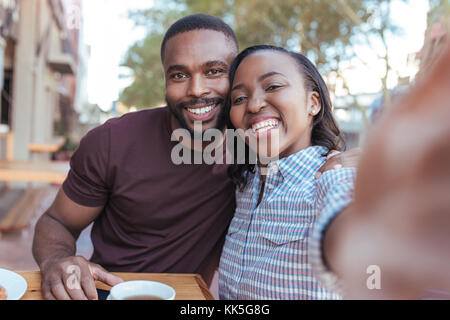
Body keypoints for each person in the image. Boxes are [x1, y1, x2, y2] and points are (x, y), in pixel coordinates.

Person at [32, 14, 357, 300]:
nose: (196, 89)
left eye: (215, 71)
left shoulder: (253, 153)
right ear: (164, 80)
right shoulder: (112, 141)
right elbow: (56, 221)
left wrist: (368, 169)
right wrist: (56, 260)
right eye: (178, 75)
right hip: (111, 294)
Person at [218, 45, 356, 299]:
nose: (254, 104)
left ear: (312, 103)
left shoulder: (334, 176)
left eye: (273, 86)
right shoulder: (246, 185)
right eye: (239, 99)